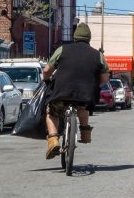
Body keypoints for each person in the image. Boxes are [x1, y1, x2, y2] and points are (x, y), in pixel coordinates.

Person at [42, 23, 109, 159]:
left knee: (51, 111)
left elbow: (47, 70)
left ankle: (54, 140)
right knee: (83, 107)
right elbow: (105, 78)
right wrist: (95, 83)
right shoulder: (98, 55)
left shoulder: (62, 49)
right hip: (85, 95)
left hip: (62, 93)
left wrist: (47, 79)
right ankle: (85, 133)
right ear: (89, 38)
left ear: (74, 37)